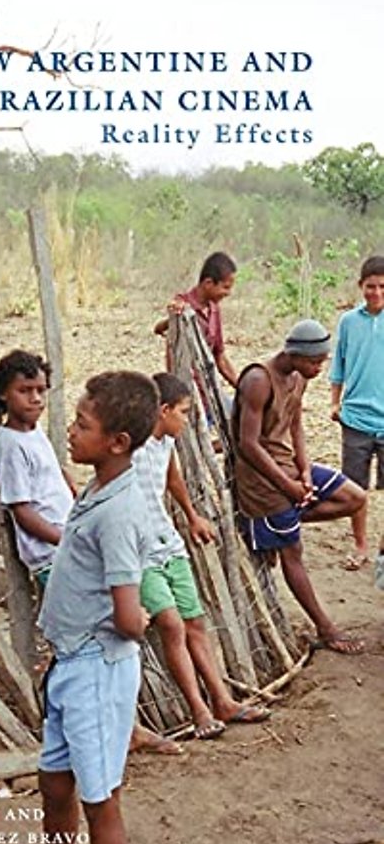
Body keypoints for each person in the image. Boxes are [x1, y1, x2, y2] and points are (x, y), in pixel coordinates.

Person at [0, 370, 158, 844]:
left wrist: (116, 639)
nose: (70, 427)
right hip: (72, 665)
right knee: (55, 784)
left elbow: (128, 611)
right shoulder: (97, 489)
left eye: (83, 424)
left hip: (96, 668)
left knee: (100, 800)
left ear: (117, 441)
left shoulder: (117, 511)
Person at [134, 373, 271, 738]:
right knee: (172, 625)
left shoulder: (165, 443)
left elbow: (172, 478)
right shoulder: (131, 446)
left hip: (168, 544)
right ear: (162, 411)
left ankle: (222, 701)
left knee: (195, 622)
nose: (187, 419)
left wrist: (192, 516)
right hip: (140, 554)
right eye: (183, 411)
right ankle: (198, 711)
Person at [232, 319, 366, 654]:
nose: (319, 368)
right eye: (314, 362)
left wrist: (304, 471)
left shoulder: (298, 377)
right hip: (260, 479)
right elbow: (248, 445)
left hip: (287, 465)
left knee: (354, 498)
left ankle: (282, 522)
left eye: (323, 361)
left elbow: (295, 424)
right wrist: (289, 488)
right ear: (294, 354)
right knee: (293, 553)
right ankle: (326, 628)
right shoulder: (259, 380)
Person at [0, 349, 75, 592]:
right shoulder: (10, 445)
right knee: (77, 621)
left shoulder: (33, 432)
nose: (35, 398)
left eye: (40, 390)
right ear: (3, 394)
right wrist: (64, 540)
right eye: (24, 390)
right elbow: (22, 510)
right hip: (51, 555)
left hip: (67, 545)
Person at [330, 255, 384, 570]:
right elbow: (339, 365)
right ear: (360, 286)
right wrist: (334, 404)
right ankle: (360, 544)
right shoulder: (349, 321)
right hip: (356, 419)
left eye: (381, 287)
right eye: (370, 286)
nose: (376, 292)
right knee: (355, 489)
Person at [154, 251, 239, 387]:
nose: (228, 293)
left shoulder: (214, 310)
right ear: (208, 283)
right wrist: (173, 317)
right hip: (185, 390)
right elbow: (159, 328)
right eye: (225, 287)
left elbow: (220, 356)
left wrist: (240, 386)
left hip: (208, 388)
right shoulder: (183, 304)